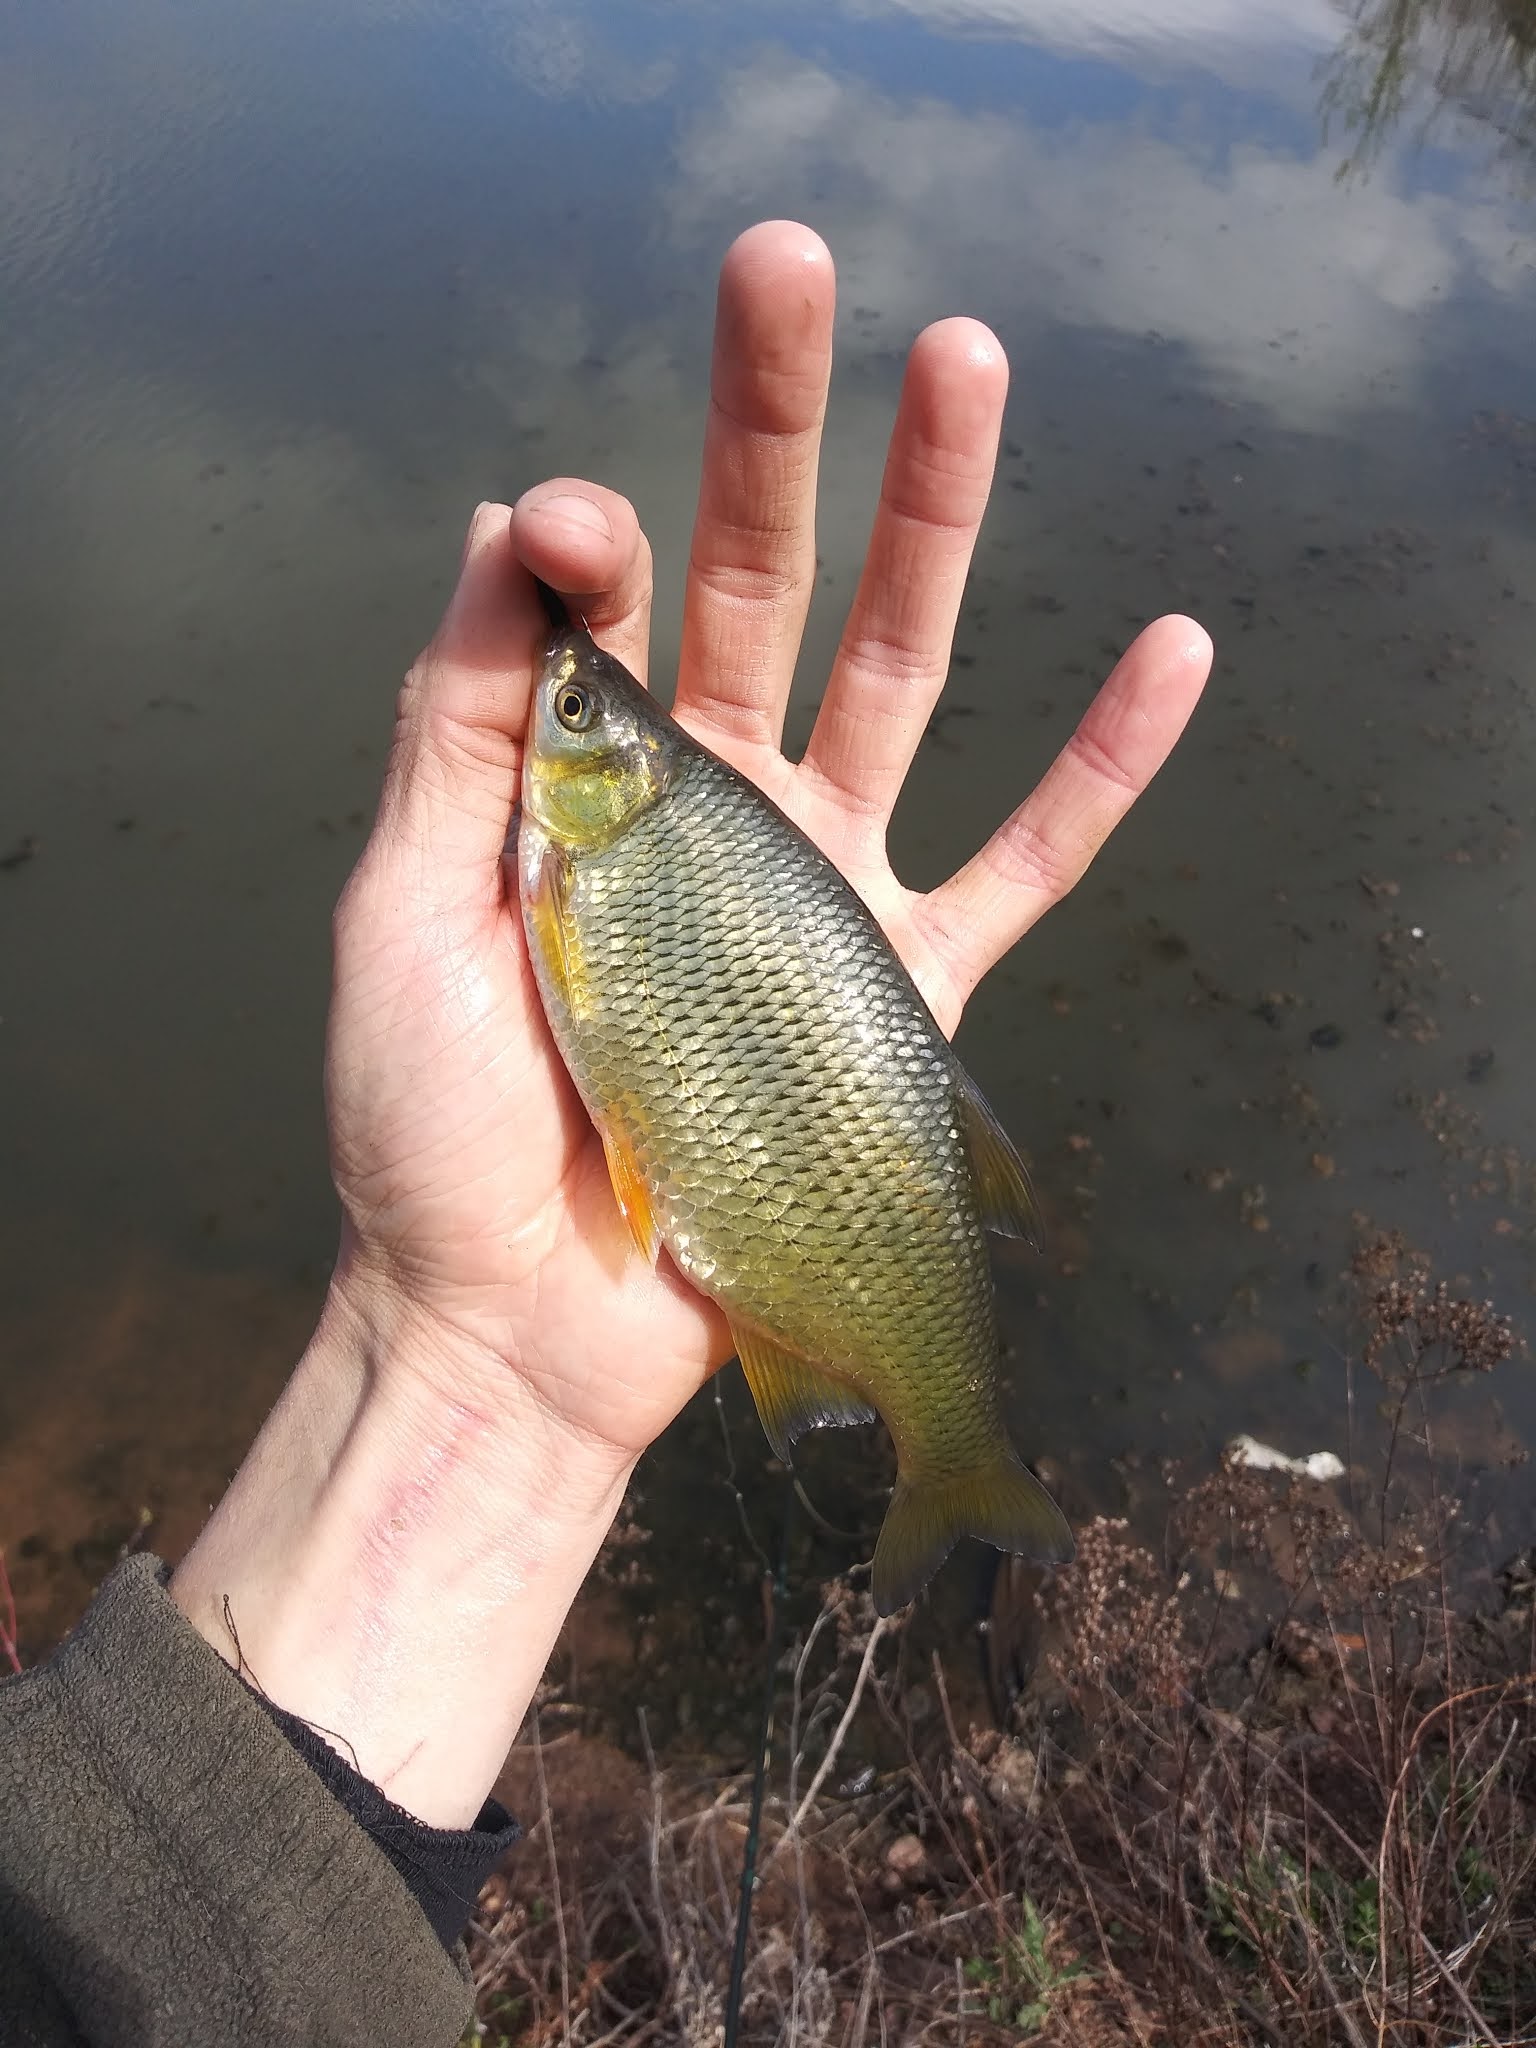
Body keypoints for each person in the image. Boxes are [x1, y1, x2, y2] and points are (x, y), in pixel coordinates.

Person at [0, 222, 1211, 2045]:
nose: (557, 711)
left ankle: (949, 1450)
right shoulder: (595, 836)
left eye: (578, 713)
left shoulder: (604, 833)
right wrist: (457, 1348)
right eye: (579, 708)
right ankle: (941, 1449)